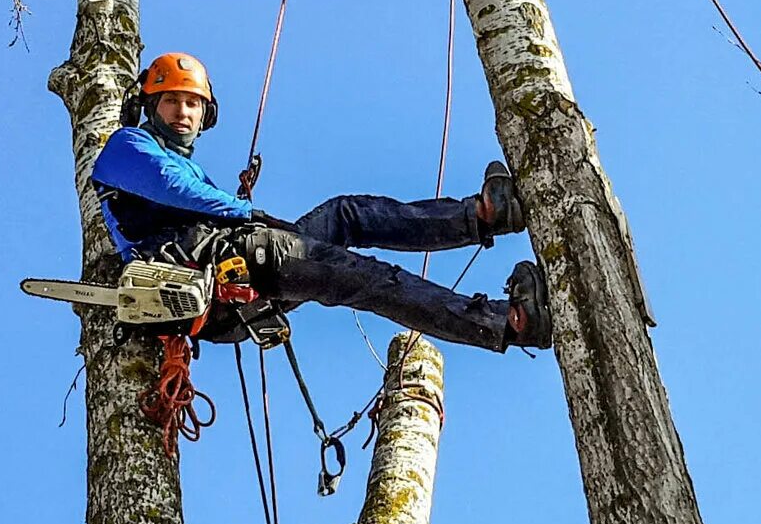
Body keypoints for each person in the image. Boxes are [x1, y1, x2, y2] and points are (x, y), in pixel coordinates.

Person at [91, 52, 553, 351]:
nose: (183, 112)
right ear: (150, 105)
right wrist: (244, 211)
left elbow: (194, 201)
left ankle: (481, 216)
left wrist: (240, 210)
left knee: (344, 214)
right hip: (220, 273)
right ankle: (506, 323)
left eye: (192, 104)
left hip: (236, 271)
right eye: (171, 100)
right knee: (370, 279)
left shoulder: (185, 166)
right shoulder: (126, 147)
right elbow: (174, 189)